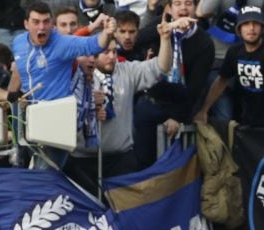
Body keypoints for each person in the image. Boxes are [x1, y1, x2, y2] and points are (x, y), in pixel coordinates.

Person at [63, 16, 181, 195]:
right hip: (82, 160)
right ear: (93, 54)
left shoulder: (126, 70)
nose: (112, 57)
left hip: (121, 159)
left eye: (114, 52)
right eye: (106, 52)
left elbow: (160, 68)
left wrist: (165, 39)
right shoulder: (77, 75)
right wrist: (87, 103)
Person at [9, 1, 117, 169]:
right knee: (23, 173)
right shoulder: (17, 43)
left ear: (52, 24)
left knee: (44, 176)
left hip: (56, 119)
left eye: (46, 22)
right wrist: (11, 94)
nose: (41, 27)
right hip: (25, 117)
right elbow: (17, 69)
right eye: (36, 22)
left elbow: (93, 44)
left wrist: (107, 34)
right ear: (26, 24)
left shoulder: (62, 44)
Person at [133, 0, 214, 169]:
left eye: (188, 3)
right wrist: (168, 29)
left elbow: (195, 88)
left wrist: (178, 116)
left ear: (195, 8)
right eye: (177, 3)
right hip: (151, 101)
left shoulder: (204, 41)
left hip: (180, 106)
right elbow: (135, 39)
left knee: (176, 165)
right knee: (142, 160)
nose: (183, 8)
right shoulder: (160, 25)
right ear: (169, 8)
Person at [194, 6, 264, 127]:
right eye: (246, 24)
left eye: (256, 24)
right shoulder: (234, 52)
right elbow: (221, 82)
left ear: (262, 28)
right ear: (239, 29)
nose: (251, 28)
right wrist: (204, 110)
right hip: (250, 121)